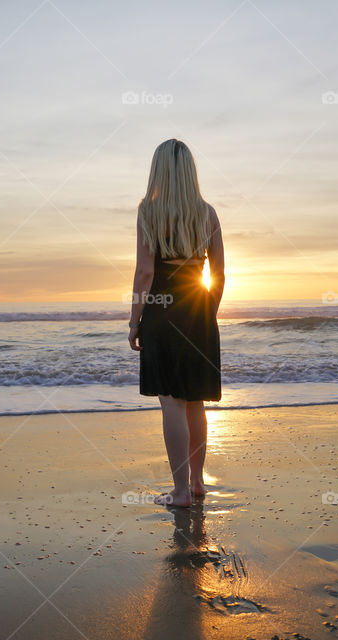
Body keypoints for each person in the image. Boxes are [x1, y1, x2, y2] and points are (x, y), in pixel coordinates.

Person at [128, 138, 225, 508]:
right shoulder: (208, 213)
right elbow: (219, 273)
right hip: (198, 311)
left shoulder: (148, 212)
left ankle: (180, 492)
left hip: (162, 313)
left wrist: (134, 320)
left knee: (170, 400)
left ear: (158, 172)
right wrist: (207, 313)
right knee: (195, 401)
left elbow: (145, 272)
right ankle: (197, 484)